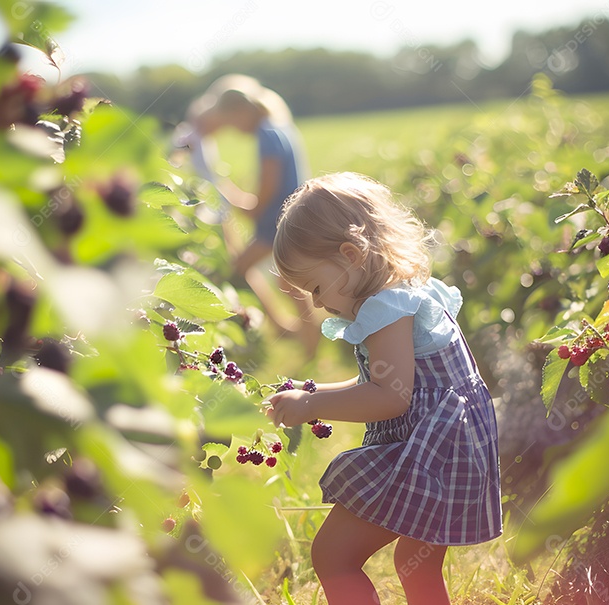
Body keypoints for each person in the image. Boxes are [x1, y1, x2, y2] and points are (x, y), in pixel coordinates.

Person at [265, 172, 502, 605]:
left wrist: (313, 405)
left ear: (351, 255)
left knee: (333, 555)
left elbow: (391, 397)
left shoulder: (386, 307)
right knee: (417, 558)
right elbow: (382, 380)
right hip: (450, 443)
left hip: (432, 450)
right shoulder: (406, 291)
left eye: (316, 287)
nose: (317, 304)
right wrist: (310, 391)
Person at [174, 75, 318, 351]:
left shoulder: (267, 134)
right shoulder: (278, 126)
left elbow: (269, 187)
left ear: (241, 112)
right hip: (286, 216)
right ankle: (299, 335)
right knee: (283, 279)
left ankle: (307, 341)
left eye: (231, 122)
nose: (233, 130)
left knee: (265, 275)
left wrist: (242, 202)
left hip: (278, 220)